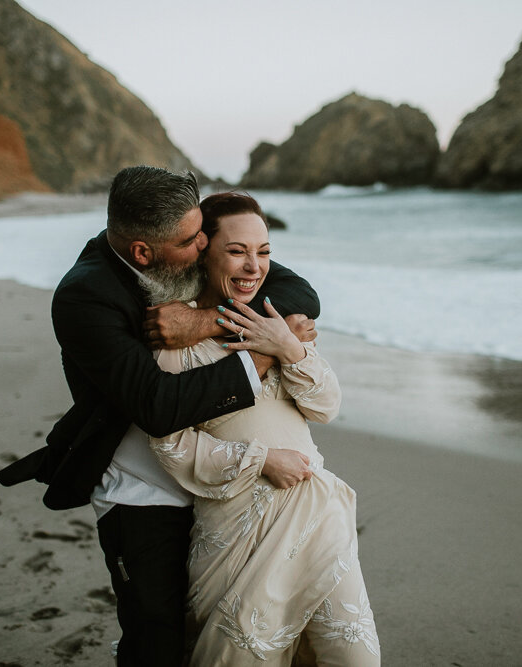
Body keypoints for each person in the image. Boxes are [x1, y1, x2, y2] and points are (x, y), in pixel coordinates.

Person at [0, 166, 320, 666]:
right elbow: (156, 407)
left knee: (218, 628)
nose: (206, 246)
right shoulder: (85, 297)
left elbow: (300, 295)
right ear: (143, 252)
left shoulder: (184, 250)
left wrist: (204, 320)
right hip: (141, 490)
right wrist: (264, 355)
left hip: (220, 482)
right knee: (157, 636)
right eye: (193, 240)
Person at [149, 192, 381, 665]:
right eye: (237, 251)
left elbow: (326, 406)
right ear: (203, 250)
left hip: (317, 518)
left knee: (353, 658)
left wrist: (287, 347)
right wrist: (262, 461)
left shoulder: (279, 321)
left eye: (264, 252)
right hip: (237, 532)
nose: (254, 266)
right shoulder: (176, 339)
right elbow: (170, 443)